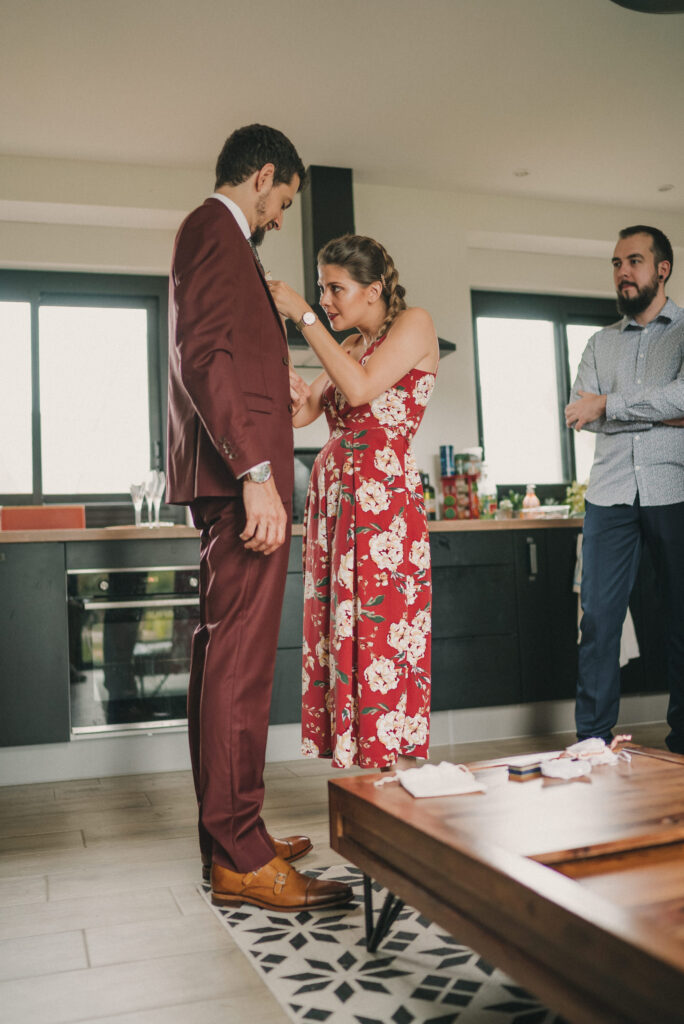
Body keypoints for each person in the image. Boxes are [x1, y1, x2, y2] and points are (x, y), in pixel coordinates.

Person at [166, 124, 352, 912]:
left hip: (239, 475)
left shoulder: (219, 241)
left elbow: (230, 360)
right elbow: (204, 355)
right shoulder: (215, 229)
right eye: (283, 199)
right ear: (265, 174)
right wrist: (257, 475)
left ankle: (233, 833)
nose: (280, 215)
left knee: (224, 661)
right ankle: (239, 853)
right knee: (239, 667)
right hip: (243, 481)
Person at [268, 234, 439, 769]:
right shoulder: (347, 346)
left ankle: (392, 765)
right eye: (320, 289)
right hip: (336, 504)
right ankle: (362, 766)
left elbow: (361, 392)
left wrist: (301, 314)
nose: (326, 300)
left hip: (382, 504)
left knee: (383, 631)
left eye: (335, 288)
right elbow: (304, 415)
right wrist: (293, 392)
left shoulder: (415, 324)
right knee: (345, 628)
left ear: (374, 289)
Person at [565, 225, 684, 752]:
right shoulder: (599, 342)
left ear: (662, 268)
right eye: (616, 263)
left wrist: (610, 404)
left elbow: (682, 397)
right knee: (599, 622)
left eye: (633, 260)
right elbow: (578, 412)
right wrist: (664, 412)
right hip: (609, 496)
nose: (622, 272)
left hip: (674, 488)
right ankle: (592, 740)